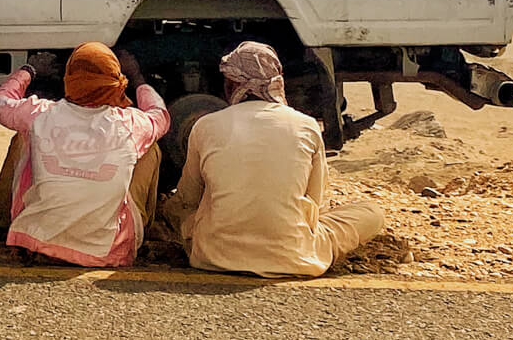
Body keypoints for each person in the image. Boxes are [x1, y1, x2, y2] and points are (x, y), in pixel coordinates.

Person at [161, 41, 386, 277]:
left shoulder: (205, 125)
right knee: (372, 213)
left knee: (174, 209)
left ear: (230, 85)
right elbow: (316, 203)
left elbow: (188, 197)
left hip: (214, 257)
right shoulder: (306, 126)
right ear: (278, 82)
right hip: (295, 257)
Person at [0, 42, 169, 267]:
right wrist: (138, 77)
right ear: (115, 81)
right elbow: (160, 115)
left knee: (24, 138)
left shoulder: (40, 115)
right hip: (107, 250)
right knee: (150, 149)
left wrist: (29, 70)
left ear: (69, 78)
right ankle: (146, 228)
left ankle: (0, 218)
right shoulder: (131, 125)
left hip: (36, 240)